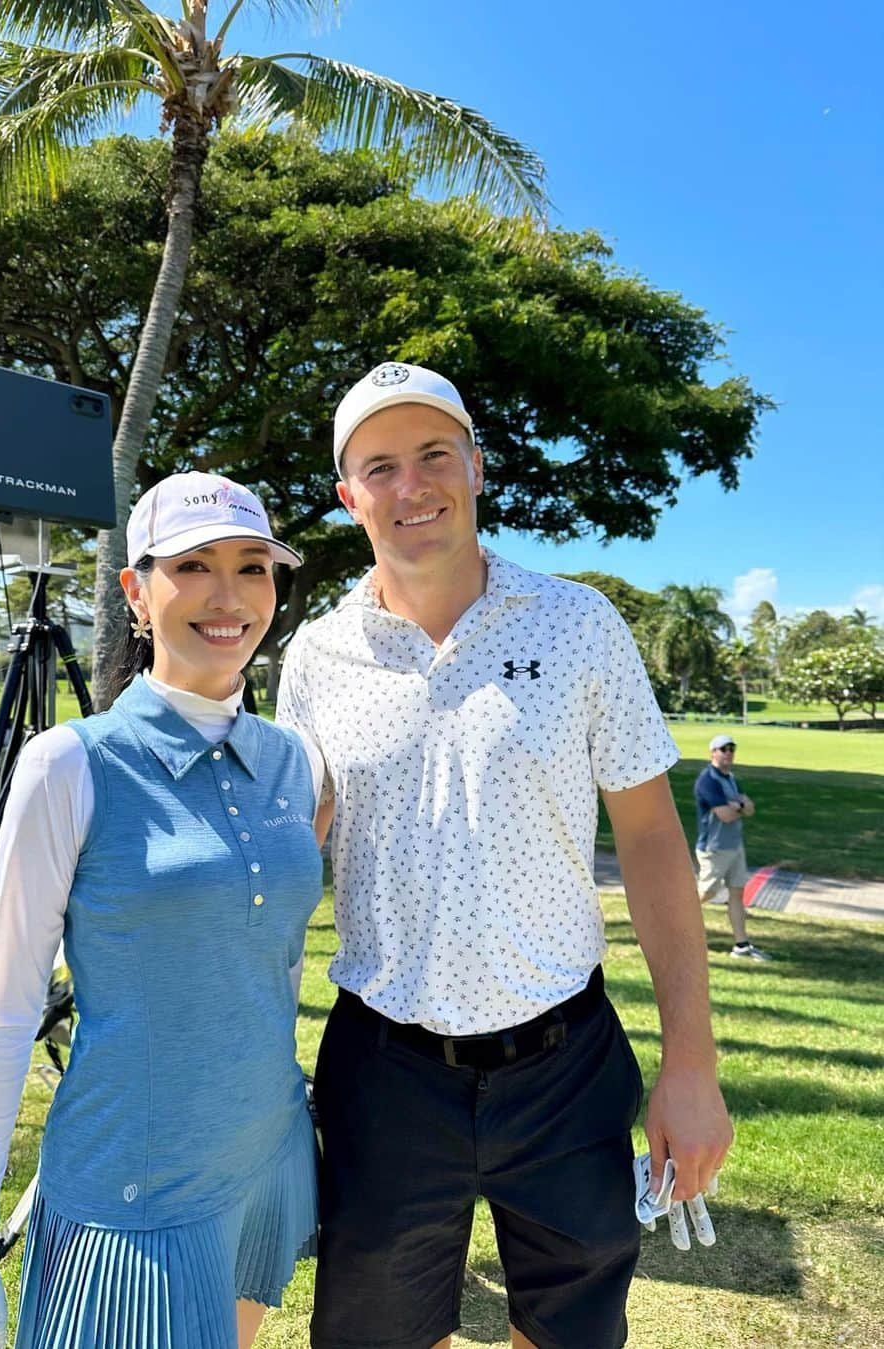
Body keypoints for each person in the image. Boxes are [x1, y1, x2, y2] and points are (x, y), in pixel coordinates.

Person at [277, 362, 733, 1349]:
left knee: (570, 1331)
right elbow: (286, 853)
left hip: (564, 1063)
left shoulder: (578, 624)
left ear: (477, 467)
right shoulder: (316, 656)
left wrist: (691, 1063)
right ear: (349, 495)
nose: (414, 484)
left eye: (436, 454)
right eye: (382, 466)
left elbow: (654, 840)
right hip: (384, 1063)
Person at [0, 472, 323, 1349]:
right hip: (133, 1188)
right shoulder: (69, 763)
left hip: (265, 1150)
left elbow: (274, 962)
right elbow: (7, 1010)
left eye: (254, 567)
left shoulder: (297, 761)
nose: (230, 596)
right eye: (194, 565)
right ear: (137, 591)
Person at [694, 734, 770, 961]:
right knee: (706, 893)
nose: (728, 753)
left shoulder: (731, 778)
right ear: (712, 753)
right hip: (715, 848)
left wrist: (738, 805)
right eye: (723, 749)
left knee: (737, 893)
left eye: (731, 749)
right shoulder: (708, 780)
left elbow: (750, 808)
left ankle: (742, 945)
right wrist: (739, 805)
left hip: (735, 846)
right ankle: (666, 925)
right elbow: (725, 815)